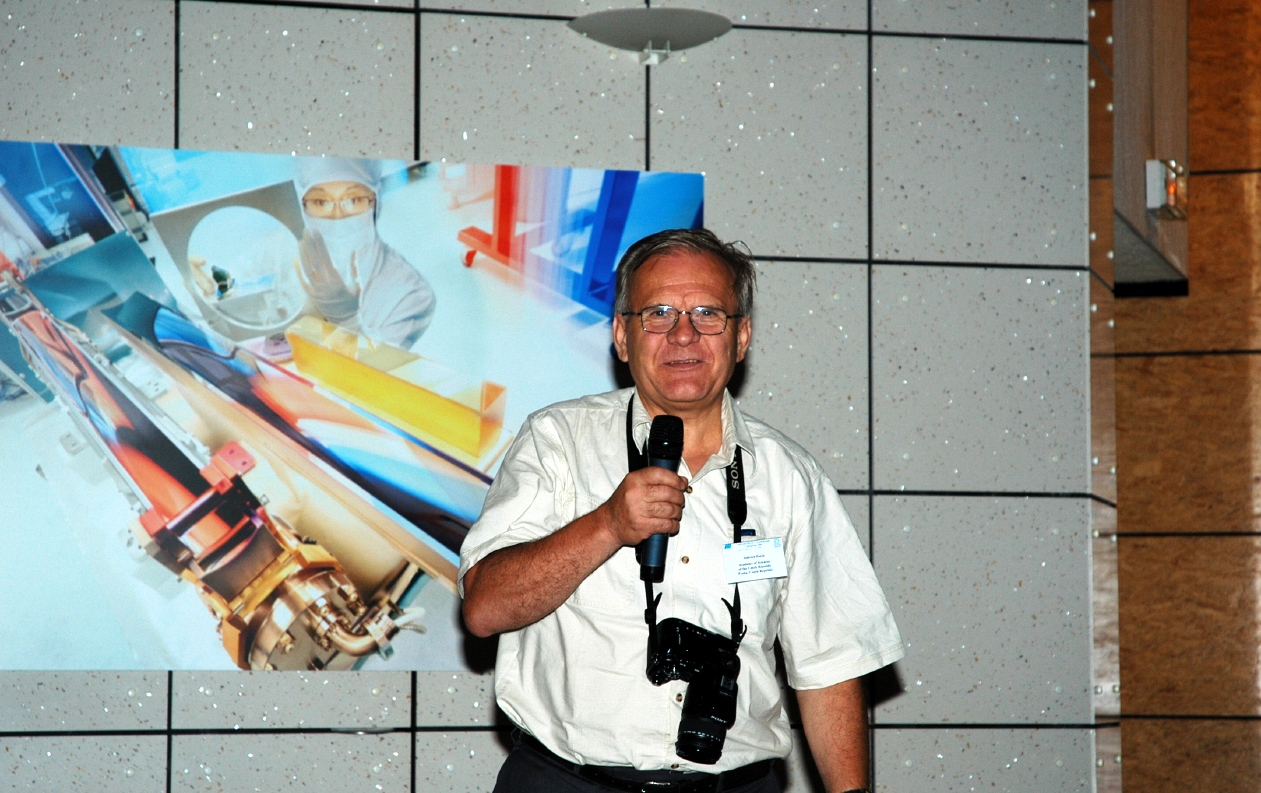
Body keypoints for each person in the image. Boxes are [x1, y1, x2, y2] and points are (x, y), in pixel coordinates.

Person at [459, 228, 903, 793]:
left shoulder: (790, 477)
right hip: (568, 782)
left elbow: (831, 664)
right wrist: (607, 525)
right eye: (659, 313)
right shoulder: (558, 442)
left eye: (708, 314)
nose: (684, 334)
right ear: (622, 336)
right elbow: (485, 608)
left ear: (741, 337)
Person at [293, 158, 435, 348]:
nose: (338, 217)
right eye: (321, 202)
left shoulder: (410, 293)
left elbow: (381, 364)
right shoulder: (288, 274)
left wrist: (347, 320)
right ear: (303, 206)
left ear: (375, 202)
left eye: (353, 200)